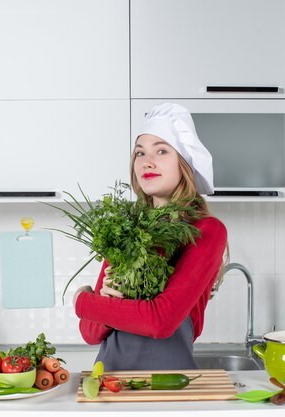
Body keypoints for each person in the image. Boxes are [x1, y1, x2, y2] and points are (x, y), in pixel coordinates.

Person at [73, 103, 228, 371]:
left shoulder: (206, 230)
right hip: (109, 383)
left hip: (169, 384)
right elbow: (90, 333)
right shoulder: (124, 229)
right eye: (139, 153)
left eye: (162, 150)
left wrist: (83, 301)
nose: (147, 161)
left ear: (184, 164)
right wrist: (107, 304)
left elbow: (161, 321)